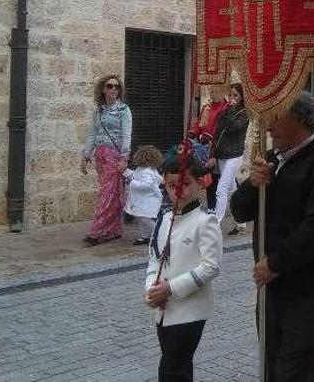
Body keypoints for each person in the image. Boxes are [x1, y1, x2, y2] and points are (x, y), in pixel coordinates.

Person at [230, 93, 314, 382]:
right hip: (271, 292)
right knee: (270, 368)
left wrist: (275, 264)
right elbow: (240, 211)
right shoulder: (271, 160)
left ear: (298, 117)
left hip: (307, 293)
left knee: (296, 373)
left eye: (274, 117)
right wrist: (253, 184)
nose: (268, 127)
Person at [144, 153, 222, 382]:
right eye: (171, 185)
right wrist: (151, 289)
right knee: (178, 368)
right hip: (164, 311)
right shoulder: (164, 219)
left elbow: (211, 267)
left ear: (200, 183)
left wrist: (171, 288)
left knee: (171, 370)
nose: (177, 191)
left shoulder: (205, 221)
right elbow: (155, 259)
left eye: (185, 184)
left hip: (190, 310)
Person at [81, 75, 132, 247]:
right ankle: (114, 229)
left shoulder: (123, 110)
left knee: (107, 193)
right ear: (103, 89)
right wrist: (86, 154)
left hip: (114, 156)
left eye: (117, 87)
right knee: (112, 193)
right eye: (109, 86)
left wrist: (125, 157)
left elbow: (126, 134)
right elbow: (93, 134)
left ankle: (96, 232)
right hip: (100, 156)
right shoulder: (99, 111)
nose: (113, 89)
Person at [208, 83, 249, 236]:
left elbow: (233, 128)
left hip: (234, 155)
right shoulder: (224, 112)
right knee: (232, 190)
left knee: (221, 188)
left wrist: (230, 110)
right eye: (230, 95)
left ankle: (215, 224)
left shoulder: (244, 113)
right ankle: (241, 221)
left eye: (235, 96)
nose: (232, 98)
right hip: (222, 154)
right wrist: (212, 154)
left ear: (241, 98)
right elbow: (216, 133)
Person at [189, 84, 229, 212]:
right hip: (206, 147)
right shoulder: (207, 107)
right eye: (211, 91)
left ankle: (217, 206)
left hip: (219, 146)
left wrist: (209, 135)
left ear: (223, 92)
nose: (213, 94)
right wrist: (193, 132)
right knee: (210, 177)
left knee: (219, 179)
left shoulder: (227, 108)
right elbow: (200, 125)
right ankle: (212, 205)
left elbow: (220, 128)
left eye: (216, 91)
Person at [123, 145, 164, 246]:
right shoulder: (141, 169)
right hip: (142, 200)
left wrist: (132, 182)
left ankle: (158, 234)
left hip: (148, 200)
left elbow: (147, 185)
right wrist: (126, 172)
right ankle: (145, 236)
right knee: (140, 218)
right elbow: (134, 175)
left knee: (145, 218)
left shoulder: (148, 172)